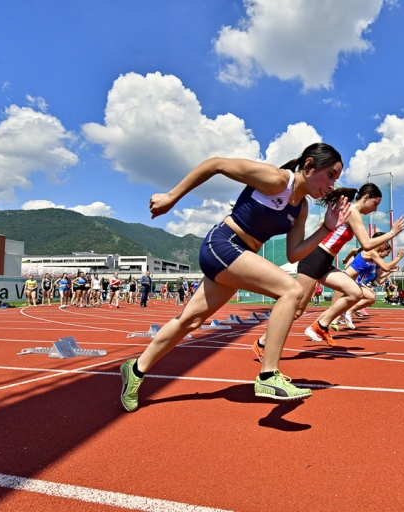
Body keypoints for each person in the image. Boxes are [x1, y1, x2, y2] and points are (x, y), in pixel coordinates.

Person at [119, 142, 349, 412]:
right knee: (292, 290)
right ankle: (268, 375)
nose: (333, 184)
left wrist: (325, 229)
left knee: (190, 321)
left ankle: (134, 369)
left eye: (337, 178)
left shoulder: (301, 209)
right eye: (331, 174)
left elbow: (294, 254)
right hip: (223, 244)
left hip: (239, 258)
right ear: (309, 165)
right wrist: (171, 197)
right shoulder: (275, 180)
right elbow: (215, 163)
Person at [253, 183, 404, 354]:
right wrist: (392, 233)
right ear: (365, 198)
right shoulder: (353, 212)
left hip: (325, 261)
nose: (375, 209)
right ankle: (261, 343)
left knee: (355, 293)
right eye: (375, 204)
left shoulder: (348, 211)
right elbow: (367, 244)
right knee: (296, 311)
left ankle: (321, 324)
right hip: (314, 258)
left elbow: (322, 224)